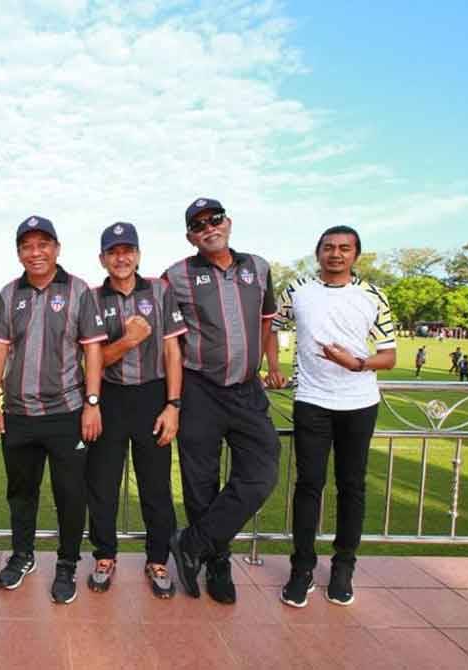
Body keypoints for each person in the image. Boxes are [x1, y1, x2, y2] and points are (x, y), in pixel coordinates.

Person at [162, 197, 281, 604]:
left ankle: (193, 543)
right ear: (189, 236)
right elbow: (166, 339)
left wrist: (273, 364)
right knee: (200, 484)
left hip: (247, 390)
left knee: (262, 473)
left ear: (227, 222)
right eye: (198, 225)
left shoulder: (259, 268)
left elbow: (268, 323)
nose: (208, 228)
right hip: (200, 389)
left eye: (214, 220)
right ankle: (218, 563)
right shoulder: (175, 276)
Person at [272, 226, 397, 608]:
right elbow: (271, 325)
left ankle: (343, 568)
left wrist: (355, 363)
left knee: (352, 486)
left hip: (359, 403)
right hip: (312, 400)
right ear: (318, 253)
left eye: (345, 248)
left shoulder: (372, 296)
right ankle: (302, 569)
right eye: (329, 248)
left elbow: (389, 356)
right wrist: (273, 366)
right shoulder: (297, 292)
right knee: (309, 485)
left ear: (356, 255)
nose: (336, 254)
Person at [0, 216, 107, 604]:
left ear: (57, 248)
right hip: (19, 414)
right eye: (27, 246)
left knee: (70, 494)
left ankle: (67, 563)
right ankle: (22, 556)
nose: (35, 253)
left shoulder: (78, 291)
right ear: (19, 252)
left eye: (43, 244)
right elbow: (0, 348)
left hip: (66, 412)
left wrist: (91, 404)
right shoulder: (8, 293)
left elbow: (92, 349)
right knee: (21, 493)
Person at [85, 222, 186, 599]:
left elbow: (173, 351)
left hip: (152, 397)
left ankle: (157, 558)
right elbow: (93, 360)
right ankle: (105, 555)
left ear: (139, 255)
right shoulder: (92, 298)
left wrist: (173, 405)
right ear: (102, 258)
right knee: (103, 485)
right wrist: (128, 341)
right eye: (113, 251)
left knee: (156, 486)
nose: (121, 257)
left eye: (127, 250)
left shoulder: (160, 291)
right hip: (109, 397)